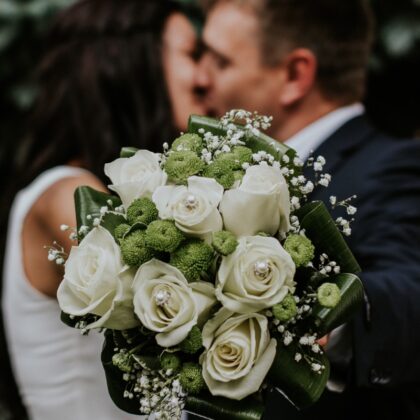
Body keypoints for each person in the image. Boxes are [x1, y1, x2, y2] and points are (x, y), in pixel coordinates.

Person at [195, 0, 420, 419]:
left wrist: (320, 312)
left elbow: (410, 287)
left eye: (220, 61)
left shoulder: (394, 167)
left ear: (295, 76)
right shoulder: (216, 177)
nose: (198, 76)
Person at [1, 0, 205, 419]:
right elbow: (146, 291)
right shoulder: (66, 192)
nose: (205, 76)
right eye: (190, 53)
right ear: (131, 64)